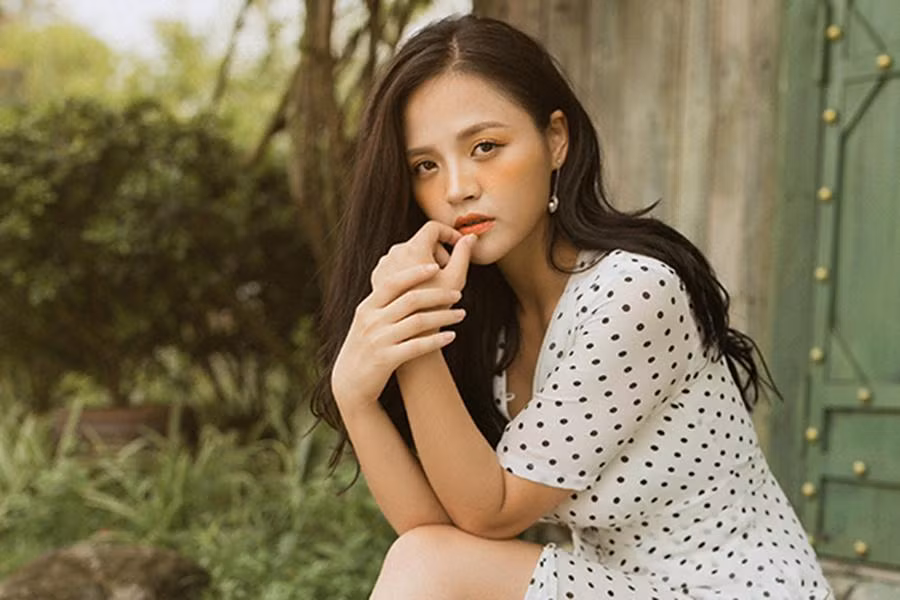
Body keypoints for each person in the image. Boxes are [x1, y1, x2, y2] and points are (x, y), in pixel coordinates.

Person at [311, 14, 833, 600]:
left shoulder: (633, 291)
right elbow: (437, 536)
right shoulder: (492, 324)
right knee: (423, 559)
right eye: (425, 166)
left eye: (485, 147)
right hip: (621, 585)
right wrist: (354, 397)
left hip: (734, 590)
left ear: (555, 139)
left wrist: (413, 319)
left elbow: (490, 514)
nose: (457, 187)